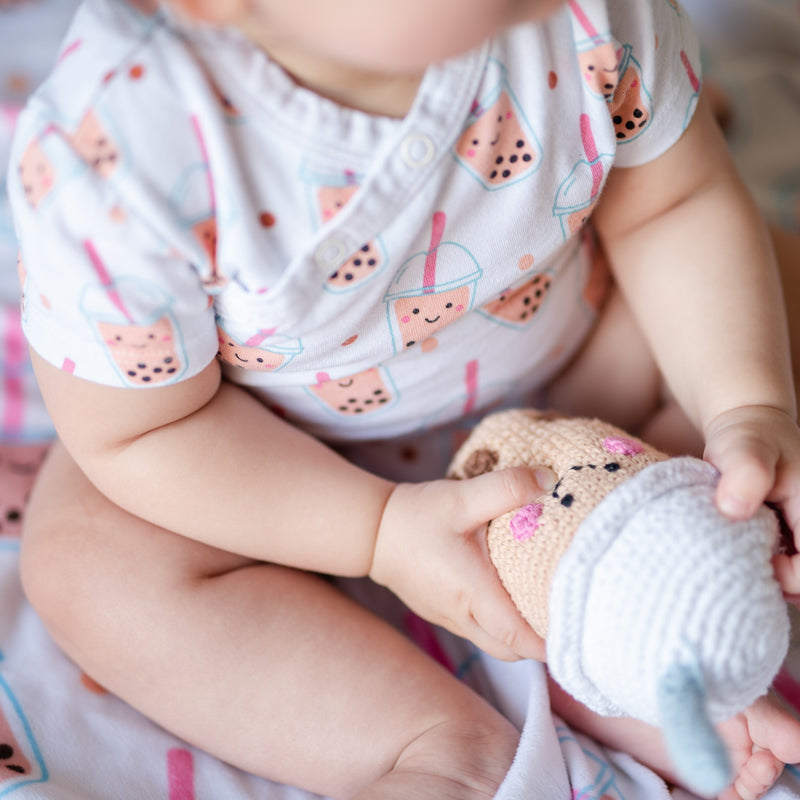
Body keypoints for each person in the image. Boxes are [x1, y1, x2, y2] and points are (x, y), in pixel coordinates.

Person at [8, 0, 800, 797]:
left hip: (584, 381)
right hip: (283, 464)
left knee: (766, 286)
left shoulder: (591, 15)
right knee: (86, 557)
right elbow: (142, 434)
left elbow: (673, 205)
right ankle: (426, 740)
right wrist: (376, 532)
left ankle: (617, 619)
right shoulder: (114, 148)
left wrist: (744, 408)